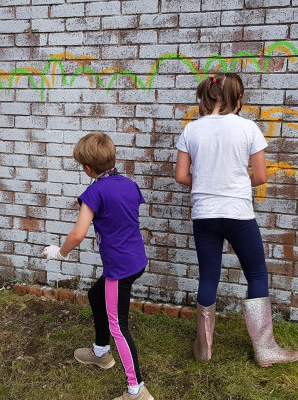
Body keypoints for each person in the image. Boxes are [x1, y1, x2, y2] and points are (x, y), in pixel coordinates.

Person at [175, 72, 298, 367]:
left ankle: (204, 349)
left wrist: (207, 182)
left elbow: (181, 176)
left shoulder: (191, 130)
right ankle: (265, 350)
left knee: (208, 277)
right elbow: (260, 176)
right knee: (256, 274)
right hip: (239, 215)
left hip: (204, 214)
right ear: (237, 98)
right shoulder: (247, 128)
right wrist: (234, 182)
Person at [42, 131, 154, 400]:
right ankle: (101, 353)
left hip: (119, 268)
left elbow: (78, 234)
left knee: (119, 327)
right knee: (95, 295)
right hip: (136, 260)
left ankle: (136, 390)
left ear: (88, 168)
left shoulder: (93, 192)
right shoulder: (129, 184)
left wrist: (60, 253)